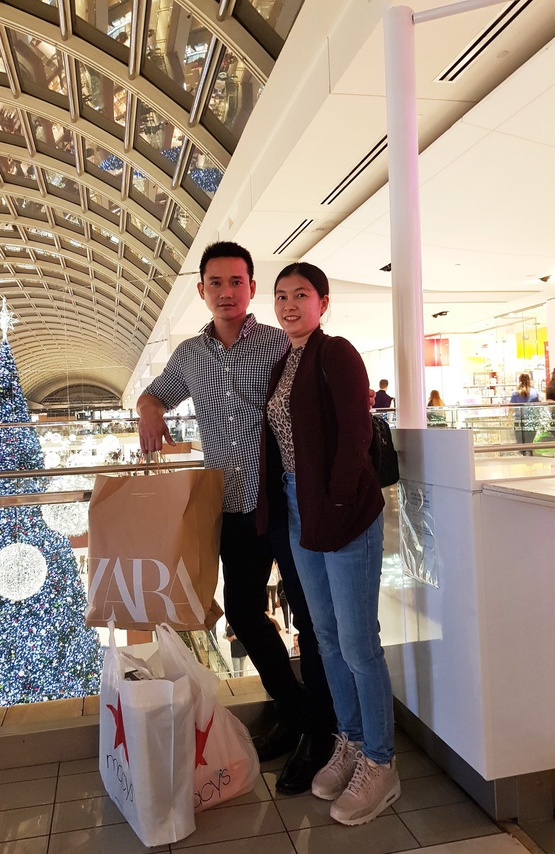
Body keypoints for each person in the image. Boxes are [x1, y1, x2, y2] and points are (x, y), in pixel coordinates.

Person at [137, 241, 337, 795]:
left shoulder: (280, 345)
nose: (227, 292)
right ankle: (294, 709)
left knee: (314, 622)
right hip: (229, 506)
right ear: (201, 290)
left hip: (286, 504)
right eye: (216, 283)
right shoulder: (190, 355)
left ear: (252, 288)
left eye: (237, 282)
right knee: (245, 614)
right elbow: (156, 395)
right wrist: (148, 410)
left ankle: (322, 735)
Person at [257, 261, 400, 826]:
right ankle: (352, 740)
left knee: (360, 643)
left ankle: (382, 763)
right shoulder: (284, 362)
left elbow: (356, 435)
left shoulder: (336, 352)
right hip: (298, 511)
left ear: (323, 301)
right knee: (326, 637)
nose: (289, 305)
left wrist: (338, 506)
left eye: (300, 295)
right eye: (281, 296)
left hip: (342, 514)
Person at [511, 372, 540, 454]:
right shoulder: (534, 392)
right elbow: (538, 407)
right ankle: (530, 460)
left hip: (519, 422)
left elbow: (511, 409)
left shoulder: (515, 394)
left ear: (519, 380)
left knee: (521, 445)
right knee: (530, 444)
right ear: (529, 380)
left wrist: (508, 420)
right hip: (531, 422)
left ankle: (523, 460)